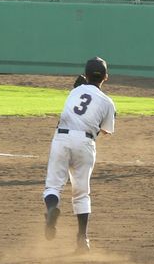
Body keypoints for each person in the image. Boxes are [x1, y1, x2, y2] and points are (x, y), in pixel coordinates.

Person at [43, 57, 116, 253]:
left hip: (62, 138)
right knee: (81, 193)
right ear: (106, 77)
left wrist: (80, 86)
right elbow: (106, 130)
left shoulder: (74, 91)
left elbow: (79, 100)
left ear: (85, 74)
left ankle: (51, 209)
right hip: (85, 143)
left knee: (54, 185)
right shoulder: (108, 102)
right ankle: (82, 240)